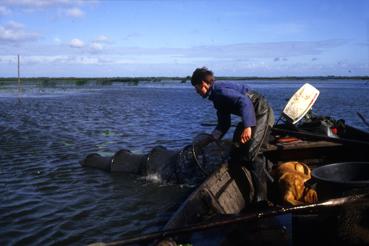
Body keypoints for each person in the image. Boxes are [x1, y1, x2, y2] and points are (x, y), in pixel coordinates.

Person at [191, 67, 274, 202]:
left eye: (196, 88)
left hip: (261, 111)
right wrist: (210, 139)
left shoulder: (219, 90)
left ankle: (262, 199)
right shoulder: (216, 99)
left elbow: (244, 102)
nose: (196, 92)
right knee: (235, 151)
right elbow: (224, 124)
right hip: (250, 116)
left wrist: (247, 127)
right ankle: (250, 189)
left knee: (253, 154)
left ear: (203, 84)